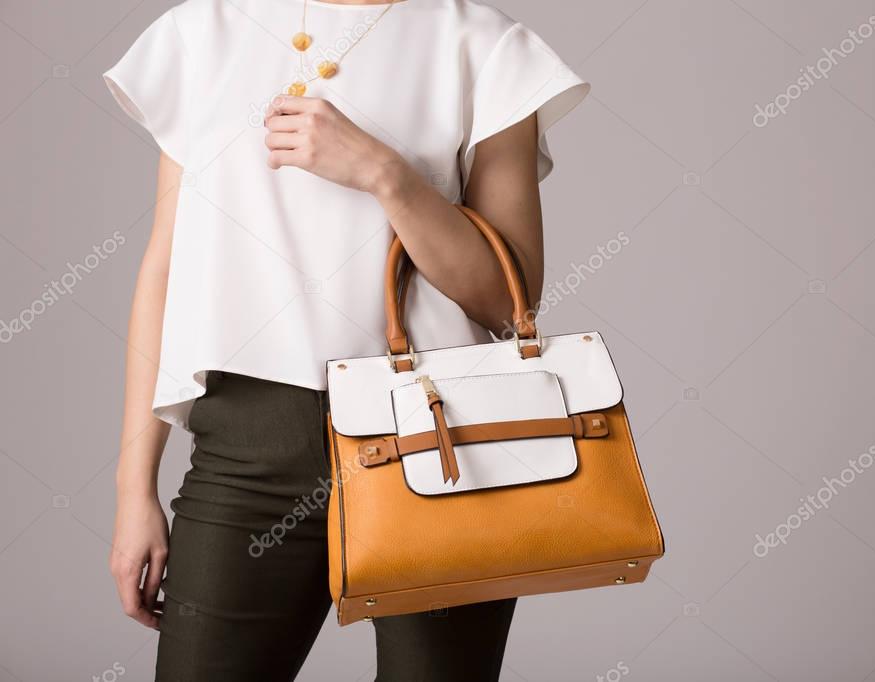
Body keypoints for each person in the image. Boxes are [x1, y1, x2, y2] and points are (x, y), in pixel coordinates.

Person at [103, 0, 588, 679]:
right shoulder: (202, 32)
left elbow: (508, 303)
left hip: (442, 445)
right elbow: (165, 266)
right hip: (248, 446)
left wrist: (385, 176)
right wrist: (134, 491)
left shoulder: (482, 43)